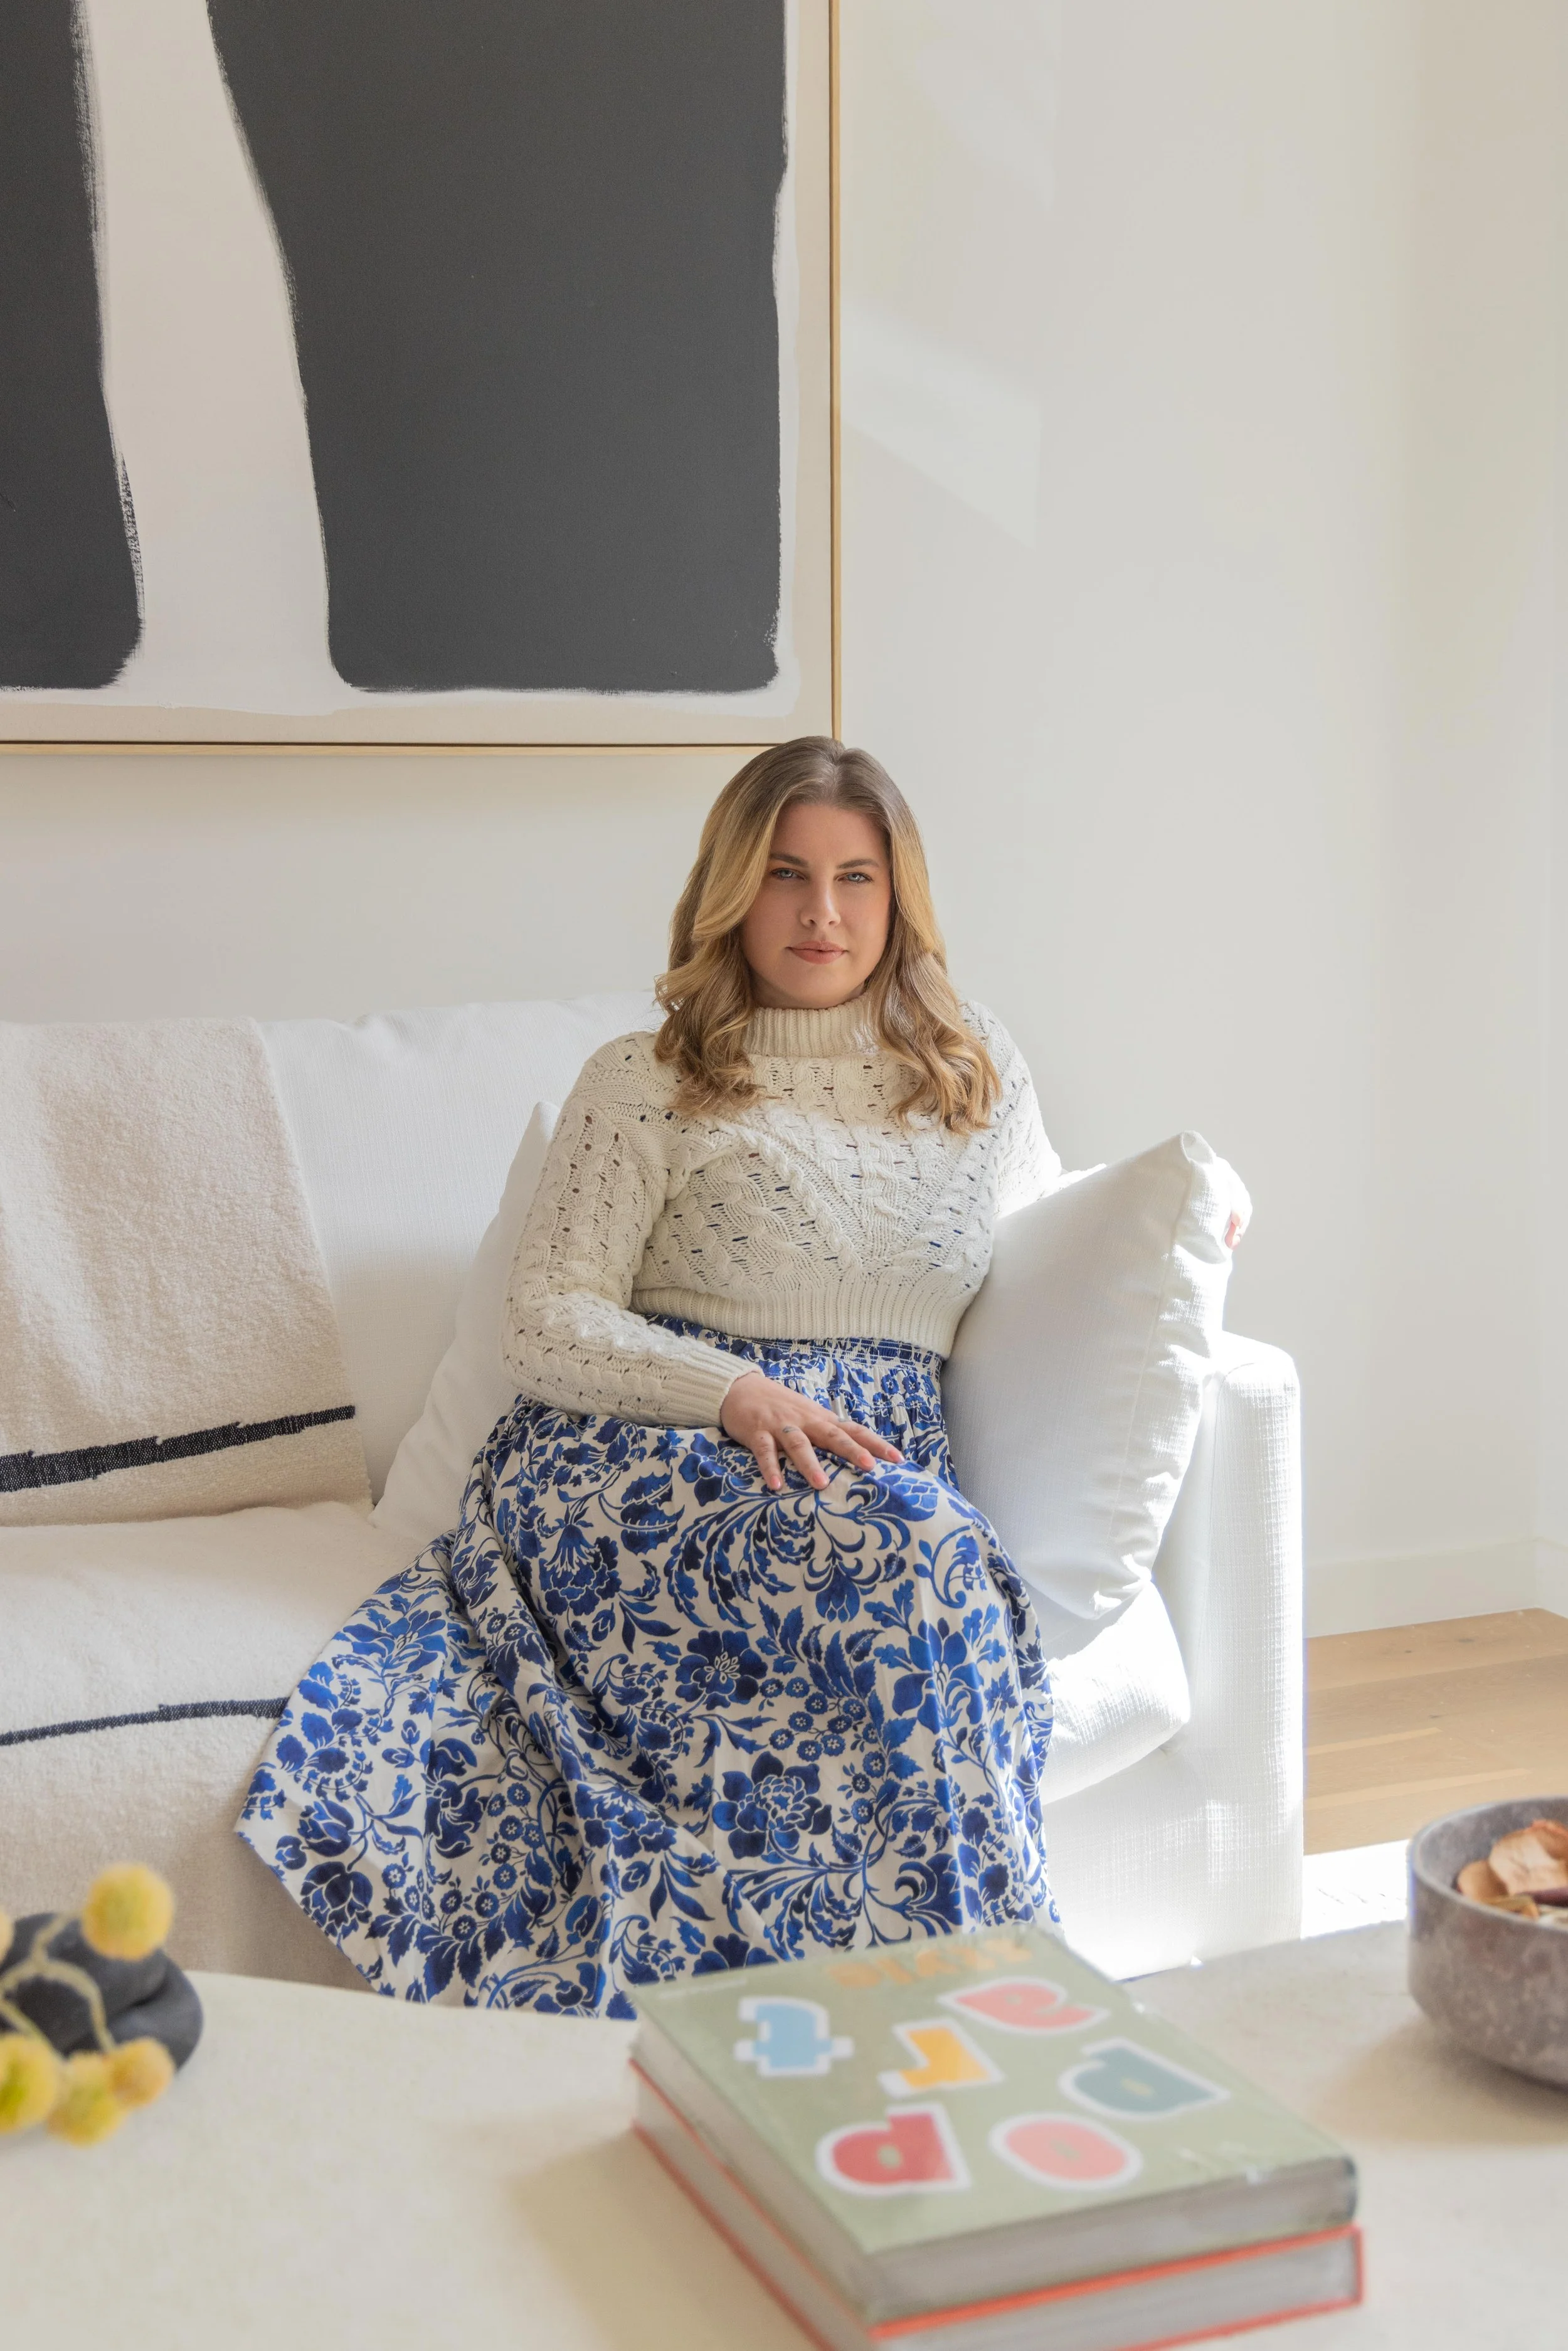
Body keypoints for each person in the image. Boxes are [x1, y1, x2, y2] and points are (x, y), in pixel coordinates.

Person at [240, 738, 1062, 2014]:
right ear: (734, 886)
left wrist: (1197, 1215)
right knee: (928, 1559)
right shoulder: (645, 1078)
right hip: (645, 1453)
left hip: (861, 1466)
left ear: (900, 895)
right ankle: (997, 2003)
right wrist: (729, 1391)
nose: (822, 912)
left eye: (857, 876)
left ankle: (925, 2016)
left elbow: (1056, 1212)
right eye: (787, 874)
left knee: (922, 1559)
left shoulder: (975, 1067)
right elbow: (547, 1314)